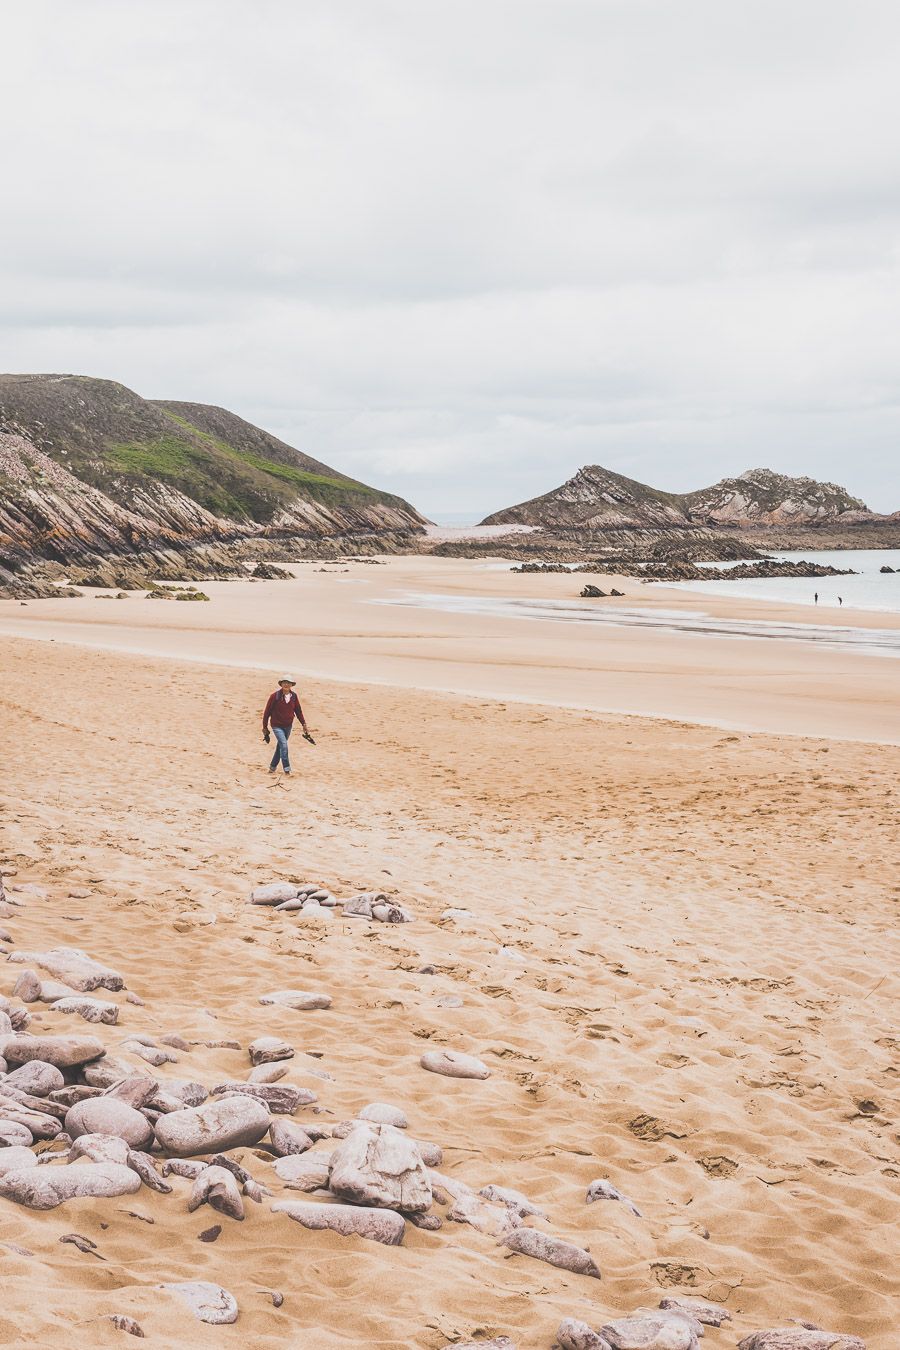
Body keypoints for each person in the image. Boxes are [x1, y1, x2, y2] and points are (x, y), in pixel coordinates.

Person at [262, 677, 308, 775]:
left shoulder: (294, 696)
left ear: (291, 685)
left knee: (280, 746)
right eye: (284, 682)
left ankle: (272, 767)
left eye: (288, 683)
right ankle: (287, 769)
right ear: (281, 684)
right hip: (276, 725)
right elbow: (267, 712)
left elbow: (298, 711)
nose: (286, 684)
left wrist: (303, 724)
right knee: (284, 745)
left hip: (288, 726)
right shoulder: (274, 696)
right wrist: (265, 727)